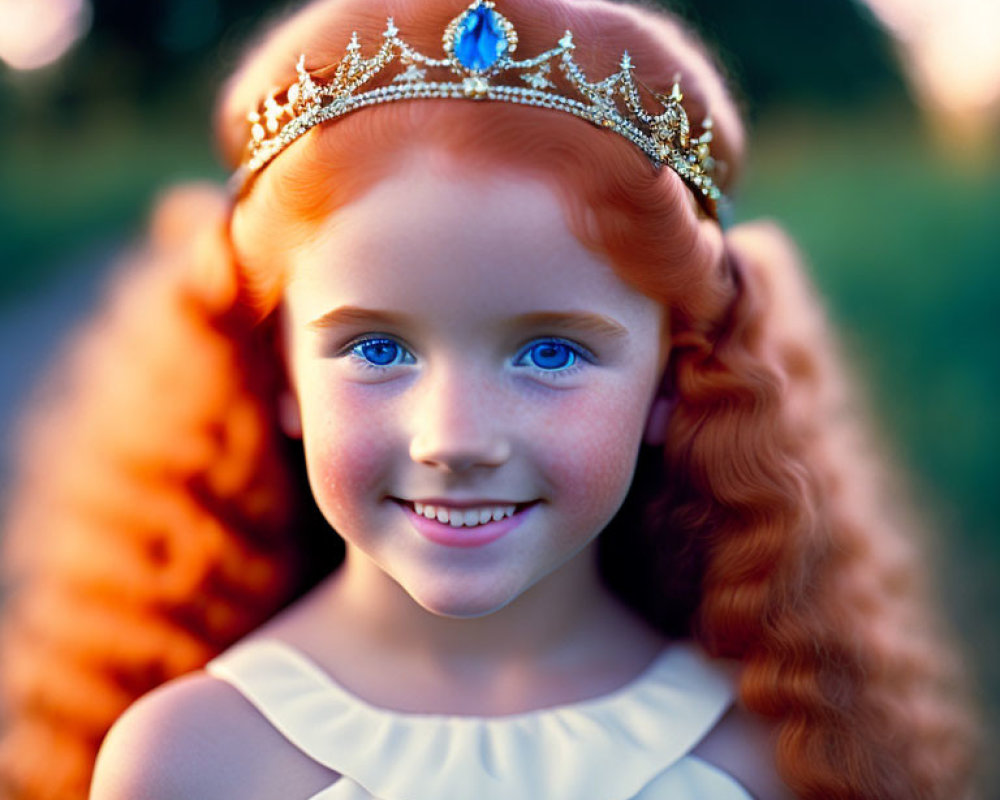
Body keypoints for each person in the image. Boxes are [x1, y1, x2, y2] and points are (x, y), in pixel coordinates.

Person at [0, 0, 977, 798]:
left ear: (677, 375)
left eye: (550, 350)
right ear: (279, 372)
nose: (454, 437)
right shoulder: (189, 761)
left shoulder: (779, 759)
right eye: (376, 345)